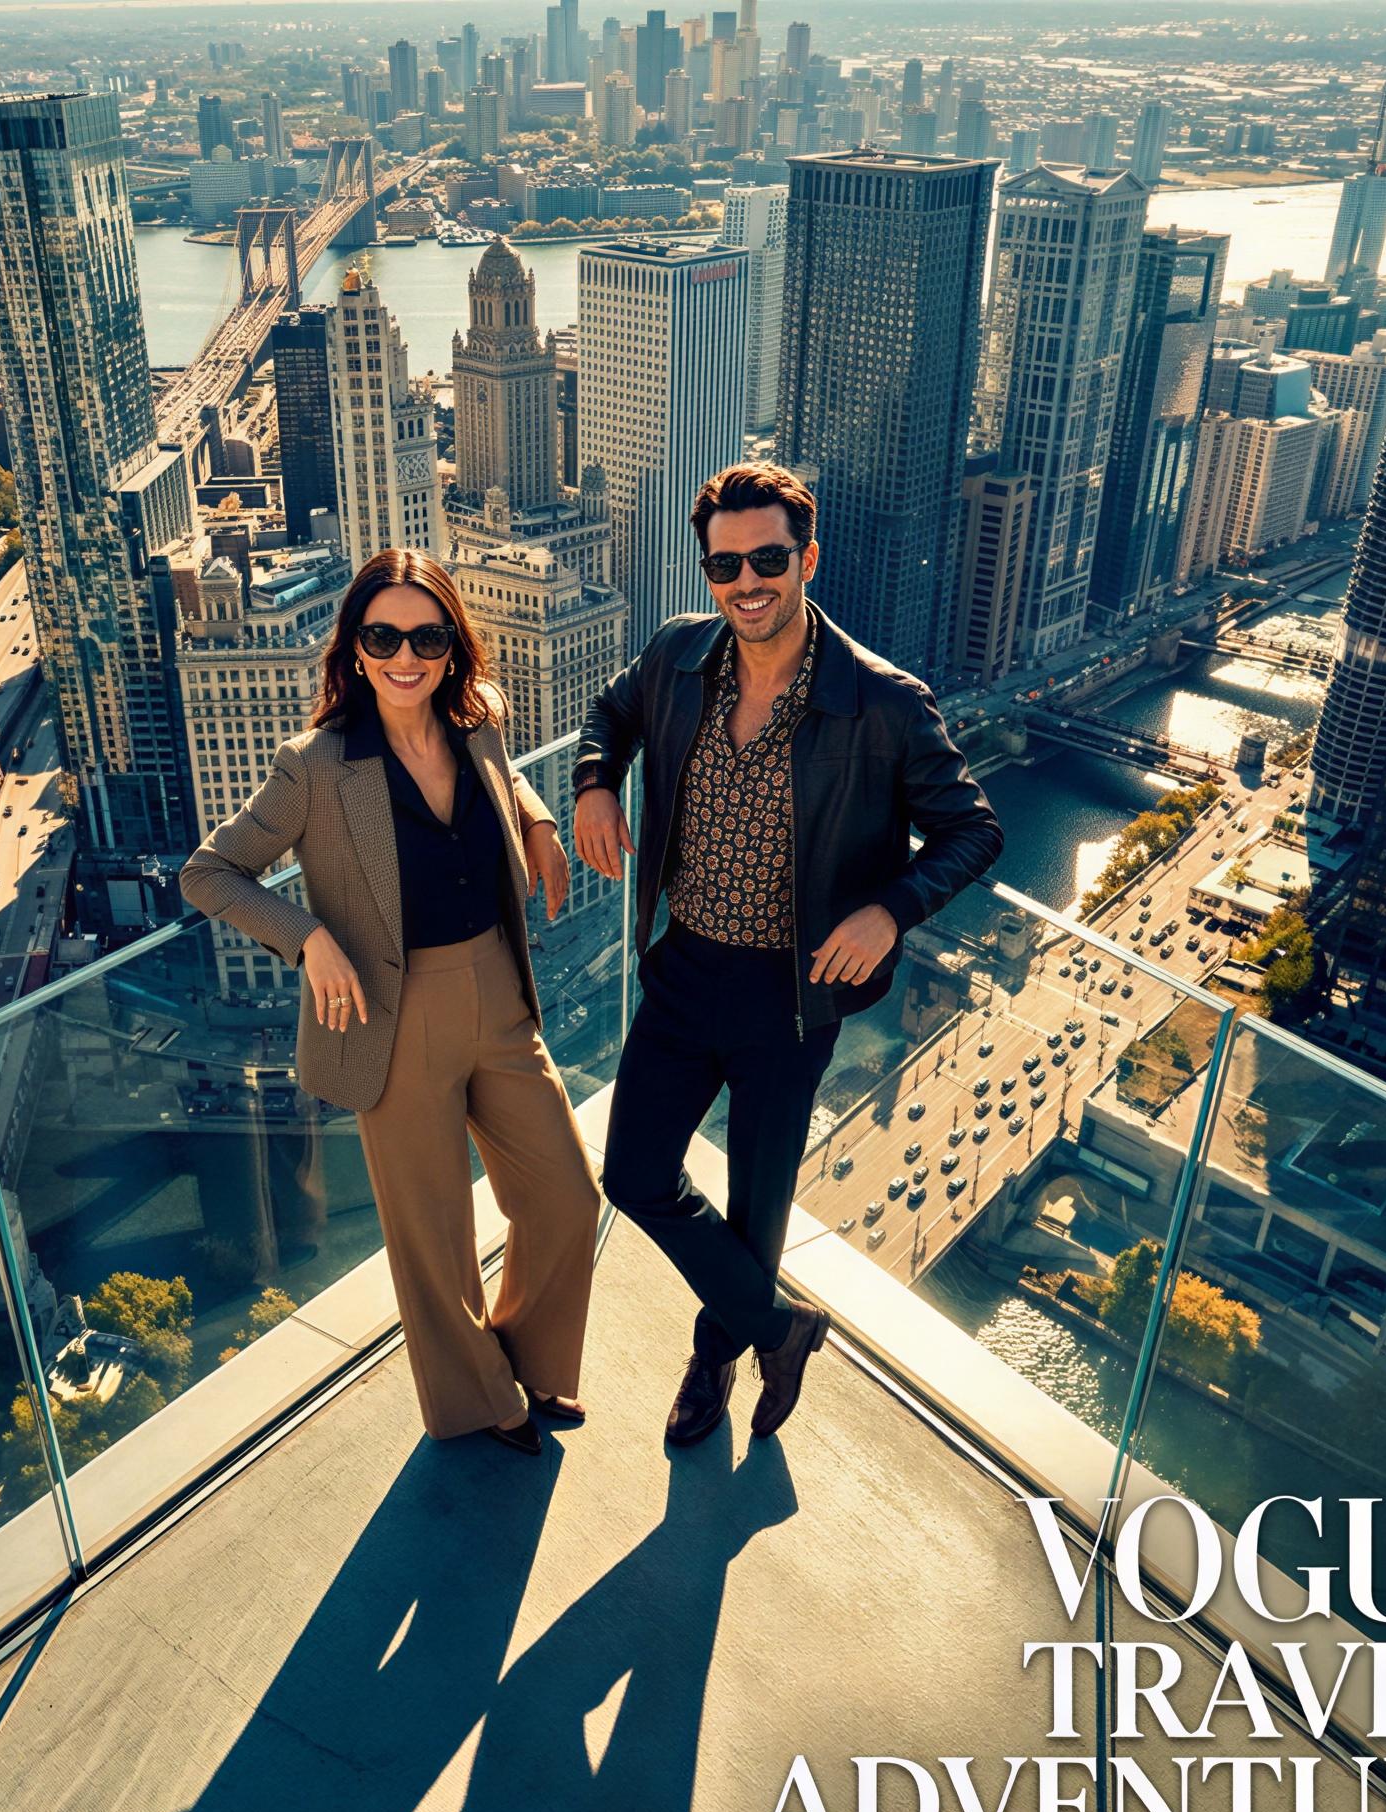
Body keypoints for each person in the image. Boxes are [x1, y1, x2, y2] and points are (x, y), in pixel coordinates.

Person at [574, 462, 1004, 1446]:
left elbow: (970, 830)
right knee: (633, 1173)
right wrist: (596, 780)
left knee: (755, 1201)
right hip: (685, 968)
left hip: (793, 993)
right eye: (725, 564)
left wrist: (890, 909)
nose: (746, 580)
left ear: (805, 558)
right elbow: (609, 717)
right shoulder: (677, 656)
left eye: (768, 557)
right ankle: (777, 1327)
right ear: (708, 573)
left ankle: (713, 1357)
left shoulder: (883, 703)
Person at [180, 549, 600, 1458]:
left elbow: (507, 773)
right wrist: (308, 938)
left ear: (453, 645)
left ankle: (520, 1354)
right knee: (434, 1231)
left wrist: (535, 821)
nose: (404, 656)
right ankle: (478, 1395)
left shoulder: (476, 718)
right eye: (383, 637)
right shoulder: (316, 766)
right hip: (389, 1013)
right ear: (355, 649)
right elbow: (209, 873)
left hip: (495, 988)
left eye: (425, 636)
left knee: (567, 1195)